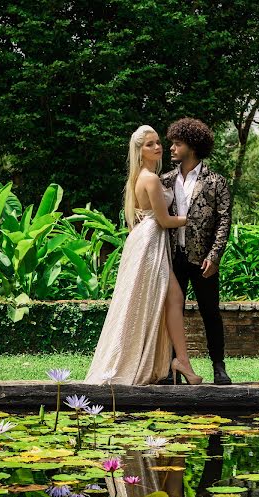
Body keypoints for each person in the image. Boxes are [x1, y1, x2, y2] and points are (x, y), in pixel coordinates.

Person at [84, 125, 202, 386]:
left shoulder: (143, 177)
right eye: (150, 144)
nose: (157, 147)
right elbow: (164, 220)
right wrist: (194, 219)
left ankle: (181, 361)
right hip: (149, 242)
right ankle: (176, 361)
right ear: (139, 151)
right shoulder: (150, 179)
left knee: (171, 297)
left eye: (158, 142)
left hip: (145, 240)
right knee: (152, 300)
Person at [160, 117, 233, 385]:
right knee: (171, 312)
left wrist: (214, 256)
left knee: (210, 312)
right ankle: (171, 368)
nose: (172, 148)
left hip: (203, 260)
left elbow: (225, 221)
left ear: (192, 146)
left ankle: (219, 367)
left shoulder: (216, 182)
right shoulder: (164, 180)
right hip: (172, 258)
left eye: (177, 144)